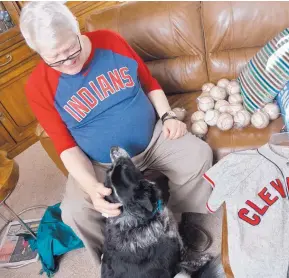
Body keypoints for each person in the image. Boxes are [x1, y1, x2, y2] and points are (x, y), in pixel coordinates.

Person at [20, 2, 213, 267]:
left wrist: (167, 116)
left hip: (153, 139)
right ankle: (115, 258)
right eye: (56, 59)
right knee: (75, 212)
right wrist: (91, 186)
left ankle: (174, 223)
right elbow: (65, 145)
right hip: (101, 163)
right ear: (39, 52)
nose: (69, 63)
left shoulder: (110, 41)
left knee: (199, 155)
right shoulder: (37, 87)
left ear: (76, 29)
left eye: (72, 50)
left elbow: (149, 83)